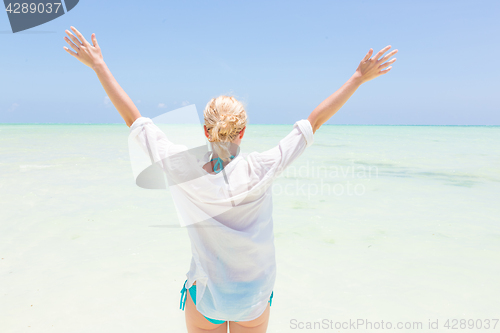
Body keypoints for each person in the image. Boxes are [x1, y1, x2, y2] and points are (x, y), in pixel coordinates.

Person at [63, 26, 397, 333]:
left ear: (205, 131)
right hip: (253, 296)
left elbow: (134, 120)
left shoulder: (182, 169)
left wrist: (99, 66)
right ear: (243, 130)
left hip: (208, 295)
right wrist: (357, 77)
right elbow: (314, 122)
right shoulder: (263, 167)